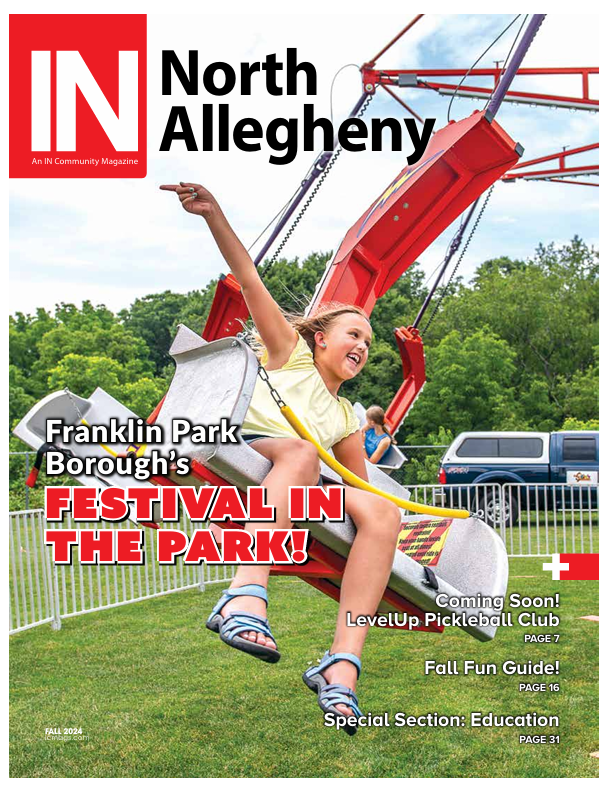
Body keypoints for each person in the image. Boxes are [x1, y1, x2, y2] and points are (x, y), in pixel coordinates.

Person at [160, 181, 402, 736]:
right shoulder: (288, 355)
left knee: (380, 512)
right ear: (320, 338)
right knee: (297, 450)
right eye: (353, 333)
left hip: (296, 482)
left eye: (369, 343)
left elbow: (359, 487)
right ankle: (245, 593)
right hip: (244, 450)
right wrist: (214, 214)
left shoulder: (345, 420)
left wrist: (400, 523)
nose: (363, 346)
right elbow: (248, 278)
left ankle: (341, 665)